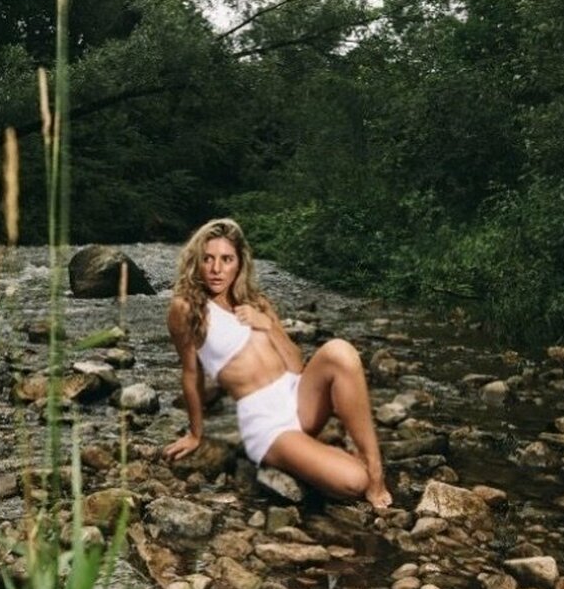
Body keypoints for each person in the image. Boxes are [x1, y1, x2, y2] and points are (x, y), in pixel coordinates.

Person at [162, 218, 392, 510]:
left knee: (340, 351)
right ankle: (333, 459)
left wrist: (267, 325)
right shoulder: (186, 308)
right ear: (197, 261)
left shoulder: (257, 302)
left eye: (226, 259)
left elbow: (295, 364)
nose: (216, 269)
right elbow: (191, 373)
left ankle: (375, 468)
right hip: (266, 423)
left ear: (240, 263)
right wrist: (196, 434)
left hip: (297, 396)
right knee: (354, 482)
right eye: (208, 258)